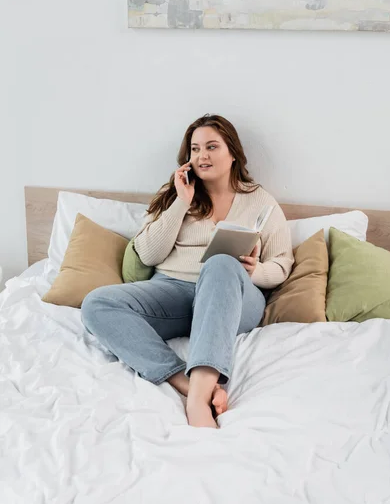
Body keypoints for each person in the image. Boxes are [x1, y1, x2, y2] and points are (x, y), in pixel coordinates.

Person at [81, 114, 294, 428]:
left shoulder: (261, 202)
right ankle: (187, 383)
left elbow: (281, 266)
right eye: (195, 149)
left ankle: (197, 403)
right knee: (96, 304)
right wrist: (181, 203)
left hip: (232, 297)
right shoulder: (174, 195)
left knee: (221, 262)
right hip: (173, 289)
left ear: (233, 153)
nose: (202, 156)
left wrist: (254, 271)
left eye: (211, 147)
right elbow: (149, 253)